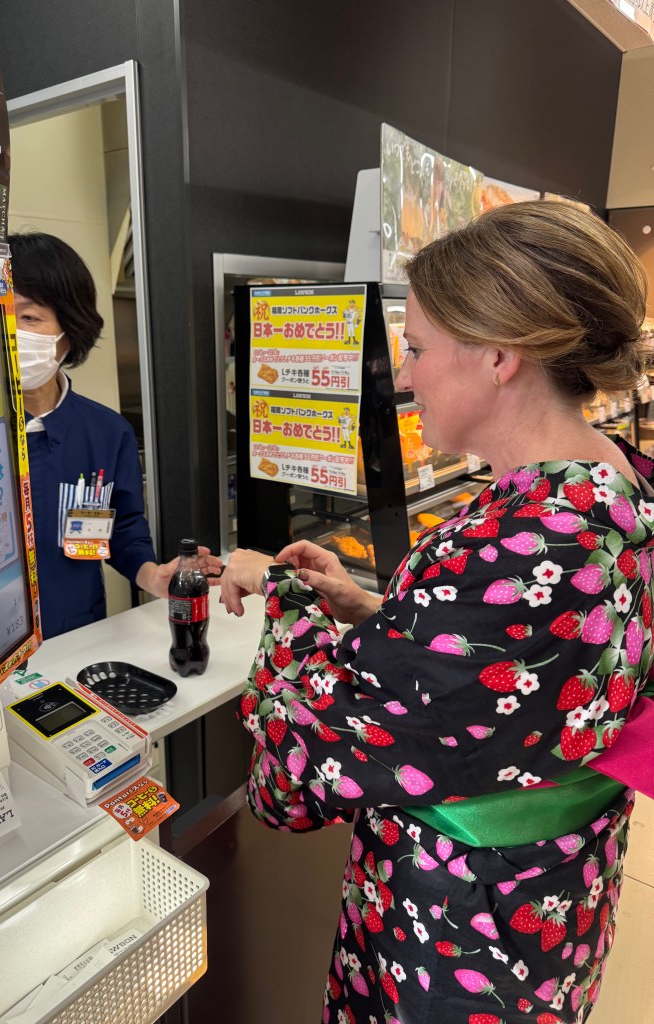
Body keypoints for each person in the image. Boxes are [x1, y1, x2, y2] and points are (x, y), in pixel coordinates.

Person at [220, 200, 654, 1024]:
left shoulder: (535, 544)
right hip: (553, 898)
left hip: (463, 936)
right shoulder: (613, 484)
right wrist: (377, 611)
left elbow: (309, 749)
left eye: (416, 348)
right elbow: (522, 665)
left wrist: (277, 591)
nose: (406, 375)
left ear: (500, 354)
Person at [9, 231, 221, 639]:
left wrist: (152, 575)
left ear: (68, 330)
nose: (11, 330)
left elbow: (121, 530)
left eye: (28, 317)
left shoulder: (106, 433)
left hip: (77, 636)